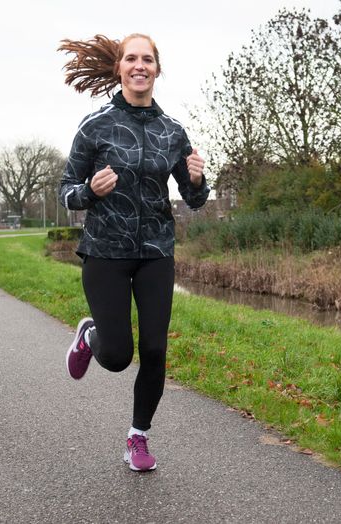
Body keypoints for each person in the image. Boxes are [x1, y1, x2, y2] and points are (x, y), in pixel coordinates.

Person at [57, 33, 210, 472]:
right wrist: (89, 190)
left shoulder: (172, 132)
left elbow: (194, 200)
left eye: (147, 59)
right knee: (118, 356)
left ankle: (137, 438)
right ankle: (91, 337)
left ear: (157, 69)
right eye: (131, 59)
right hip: (105, 251)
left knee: (156, 349)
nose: (139, 65)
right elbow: (65, 191)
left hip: (156, 251)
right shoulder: (95, 126)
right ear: (119, 68)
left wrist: (197, 180)